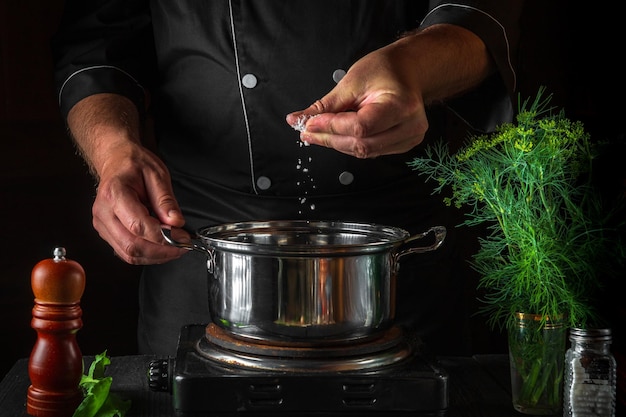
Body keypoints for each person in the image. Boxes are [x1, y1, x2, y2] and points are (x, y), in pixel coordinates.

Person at [52, 1, 523, 357]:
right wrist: (113, 150)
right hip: (202, 256)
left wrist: (410, 67)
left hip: (392, 262)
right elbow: (98, 47)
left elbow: (478, 19)